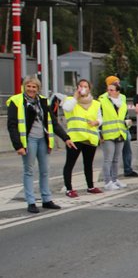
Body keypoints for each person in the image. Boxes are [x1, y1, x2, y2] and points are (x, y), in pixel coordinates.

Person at [6, 75, 76, 213]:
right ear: (24, 87)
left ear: (38, 88)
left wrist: (65, 137)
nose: (31, 89)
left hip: (43, 140)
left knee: (45, 170)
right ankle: (31, 202)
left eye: (34, 87)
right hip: (28, 140)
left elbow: (53, 123)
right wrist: (18, 146)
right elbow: (12, 125)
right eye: (29, 86)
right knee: (29, 170)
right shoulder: (16, 101)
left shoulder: (43, 101)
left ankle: (46, 199)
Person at [62, 78, 103, 197]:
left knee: (88, 164)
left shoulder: (95, 103)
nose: (83, 89)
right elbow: (67, 108)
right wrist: (76, 96)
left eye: (85, 86)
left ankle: (90, 186)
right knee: (70, 164)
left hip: (90, 137)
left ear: (89, 89)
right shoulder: (70, 100)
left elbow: (100, 117)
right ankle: (69, 189)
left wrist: (97, 122)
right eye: (81, 86)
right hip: (75, 137)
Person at [98, 80, 129, 190]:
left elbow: (124, 117)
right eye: (108, 90)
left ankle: (115, 180)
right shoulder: (102, 101)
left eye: (111, 90)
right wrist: (100, 134)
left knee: (116, 159)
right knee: (108, 159)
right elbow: (99, 118)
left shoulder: (122, 103)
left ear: (118, 92)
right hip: (108, 134)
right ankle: (107, 182)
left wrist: (127, 124)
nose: (109, 92)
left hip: (120, 133)